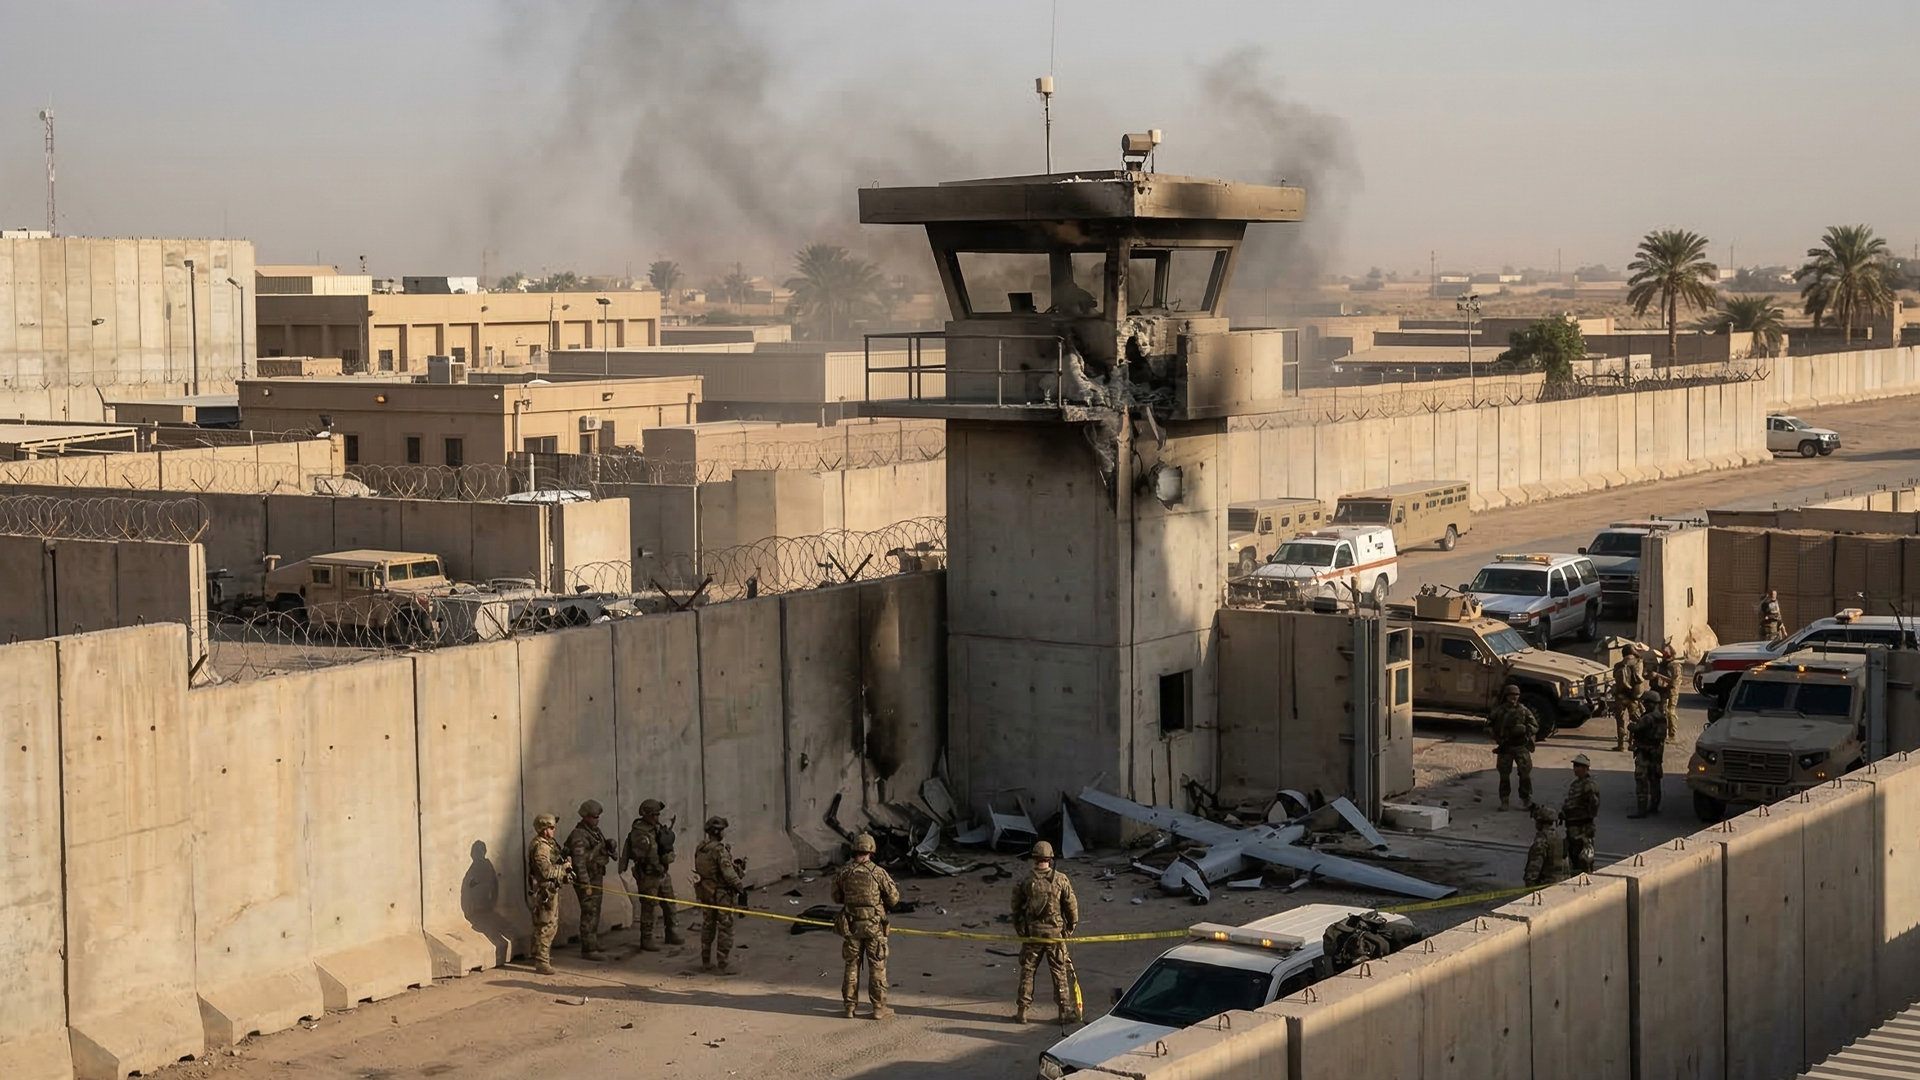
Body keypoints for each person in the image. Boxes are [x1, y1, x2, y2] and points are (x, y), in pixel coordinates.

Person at [1011, 840, 1080, 1025]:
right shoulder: (1060, 879)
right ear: (1050, 858)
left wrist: (1019, 927)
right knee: (1059, 972)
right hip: (1054, 935)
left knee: (1027, 970)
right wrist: (1070, 927)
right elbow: (1071, 907)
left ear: (1034, 858)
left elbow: (1015, 907)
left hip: (1033, 934)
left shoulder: (1026, 881)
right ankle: (1064, 1011)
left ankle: (1022, 1011)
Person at [832, 834, 900, 1019]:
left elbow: (836, 897)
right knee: (877, 967)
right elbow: (894, 898)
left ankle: (849, 1007)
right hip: (874, 926)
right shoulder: (878, 873)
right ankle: (878, 1008)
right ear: (871, 850)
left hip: (851, 926)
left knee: (851, 966)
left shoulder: (844, 873)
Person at [619, 798, 683, 951]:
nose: (656, 818)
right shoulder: (639, 833)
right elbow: (650, 854)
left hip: (661, 872)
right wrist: (659, 866)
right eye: (654, 815)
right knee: (649, 908)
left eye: (658, 815)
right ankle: (646, 939)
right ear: (646, 815)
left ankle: (671, 932)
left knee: (670, 904)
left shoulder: (657, 828)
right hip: (648, 874)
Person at [565, 800, 617, 961]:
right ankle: (588, 948)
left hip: (596, 876)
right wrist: (585, 884)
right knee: (589, 911)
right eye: (594, 817)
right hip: (586, 879)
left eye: (598, 817)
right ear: (586, 817)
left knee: (595, 910)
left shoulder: (594, 831)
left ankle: (592, 941)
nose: (597, 820)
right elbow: (579, 863)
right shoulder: (579, 835)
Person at [694, 816, 747, 973]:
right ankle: (723, 963)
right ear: (717, 831)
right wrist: (740, 887)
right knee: (725, 927)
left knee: (708, 925)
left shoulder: (701, 847)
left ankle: (705, 961)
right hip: (721, 894)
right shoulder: (719, 850)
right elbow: (728, 873)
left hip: (705, 891)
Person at [525, 813, 570, 975]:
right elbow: (545, 871)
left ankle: (537, 955)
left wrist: (565, 872)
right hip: (544, 891)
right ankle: (542, 962)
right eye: (551, 828)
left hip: (549, 889)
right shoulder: (541, 847)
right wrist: (563, 869)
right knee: (547, 925)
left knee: (543, 924)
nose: (553, 830)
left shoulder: (549, 844)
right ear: (543, 829)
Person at [1487, 683, 1538, 811]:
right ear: (1506, 696)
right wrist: (1496, 736)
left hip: (1521, 746)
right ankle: (1504, 800)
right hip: (1506, 747)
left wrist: (1525, 730)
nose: (1513, 698)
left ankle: (1526, 799)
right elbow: (1487, 726)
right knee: (1504, 775)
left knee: (1525, 774)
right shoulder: (1498, 711)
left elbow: (1535, 726)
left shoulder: (1524, 711)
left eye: (1515, 695)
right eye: (1510, 695)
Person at [1628, 691, 1668, 818]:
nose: (1644, 705)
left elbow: (1635, 728)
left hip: (1644, 752)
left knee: (1641, 779)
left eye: (1646, 702)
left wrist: (1632, 724)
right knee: (1655, 779)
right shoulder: (1661, 717)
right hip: (1656, 752)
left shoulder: (1648, 718)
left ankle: (1642, 809)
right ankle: (1654, 807)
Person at [1561, 754, 1600, 874]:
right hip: (1572, 826)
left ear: (1585, 768)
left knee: (1584, 858)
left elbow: (1593, 806)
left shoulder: (1589, 785)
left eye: (1578, 766)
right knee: (1573, 855)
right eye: (1574, 766)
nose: (1575, 768)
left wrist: (1585, 821)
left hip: (1582, 828)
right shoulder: (1576, 784)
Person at [1611, 645, 1646, 752]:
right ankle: (1634, 743)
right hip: (1634, 697)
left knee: (1620, 720)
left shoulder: (1618, 665)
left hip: (1621, 696)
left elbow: (1614, 676)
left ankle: (1621, 744)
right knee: (1635, 720)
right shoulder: (1638, 663)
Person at [1523, 803, 1560, 887]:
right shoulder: (1558, 838)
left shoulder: (1541, 841)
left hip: (1544, 885)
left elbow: (1534, 867)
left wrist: (1529, 885)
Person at [1655, 644, 1682, 743]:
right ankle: (1663, 733)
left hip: (1672, 691)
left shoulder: (1674, 666)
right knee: (1662, 712)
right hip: (1664, 690)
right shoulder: (1664, 664)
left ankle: (1672, 735)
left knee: (1670, 712)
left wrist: (1658, 676)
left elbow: (1674, 681)